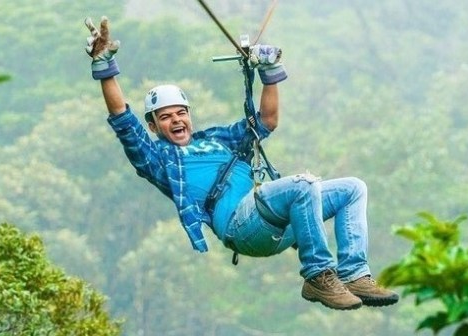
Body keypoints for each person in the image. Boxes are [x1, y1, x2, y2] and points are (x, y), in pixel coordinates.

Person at [84, 16, 399, 311]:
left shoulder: (219, 141)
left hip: (277, 220)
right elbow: (124, 122)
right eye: (166, 117)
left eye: (181, 113)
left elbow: (267, 121)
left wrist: (270, 70)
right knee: (303, 184)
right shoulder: (160, 159)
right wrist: (104, 63)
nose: (176, 120)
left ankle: (355, 273)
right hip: (241, 224)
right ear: (153, 127)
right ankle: (317, 275)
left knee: (352, 189)